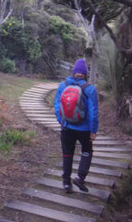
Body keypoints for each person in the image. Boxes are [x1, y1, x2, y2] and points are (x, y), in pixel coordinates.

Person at [54, 58, 98, 193]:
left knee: (67, 153)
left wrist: (62, 121)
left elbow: (56, 105)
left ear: (74, 72)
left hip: (67, 127)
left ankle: (66, 183)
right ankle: (79, 177)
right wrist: (93, 130)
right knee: (87, 151)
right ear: (85, 73)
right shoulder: (90, 89)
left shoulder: (63, 85)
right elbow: (93, 112)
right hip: (84, 129)